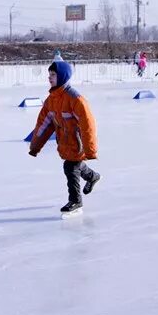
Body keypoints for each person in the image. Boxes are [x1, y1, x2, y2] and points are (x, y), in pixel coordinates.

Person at [29, 61, 100, 216]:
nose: (49, 78)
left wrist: (90, 149)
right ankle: (93, 176)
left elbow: (88, 125)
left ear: (62, 76)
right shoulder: (51, 100)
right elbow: (44, 125)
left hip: (77, 142)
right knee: (74, 166)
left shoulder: (75, 99)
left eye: (53, 75)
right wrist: (35, 146)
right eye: (49, 75)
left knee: (70, 167)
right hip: (64, 142)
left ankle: (76, 201)